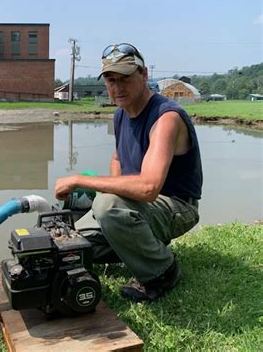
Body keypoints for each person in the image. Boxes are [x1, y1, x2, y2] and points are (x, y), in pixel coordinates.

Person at [55, 43, 203, 302]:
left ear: (144, 75)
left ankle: (162, 271)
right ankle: (142, 244)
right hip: (140, 207)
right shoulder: (121, 114)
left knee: (107, 205)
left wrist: (81, 180)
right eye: (111, 80)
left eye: (125, 78)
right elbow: (117, 158)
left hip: (177, 205)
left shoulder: (166, 117)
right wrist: (101, 188)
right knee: (70, 246)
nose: (117, 88)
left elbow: (148, 187)